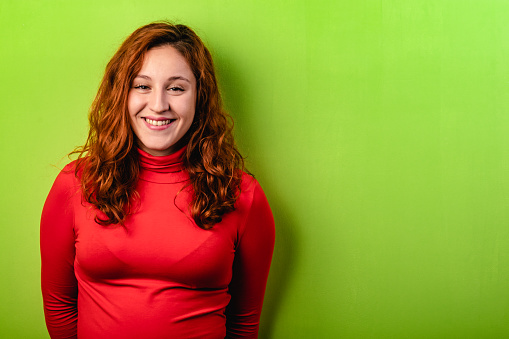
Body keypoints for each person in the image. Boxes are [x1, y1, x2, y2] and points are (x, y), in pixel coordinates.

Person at [40, 22, 275, 339]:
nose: (158, 105)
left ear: (199, 98)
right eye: (142, 86)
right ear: (122, 94)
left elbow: (244, 322)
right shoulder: (75, 184)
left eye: (176, 88)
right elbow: (60, 307)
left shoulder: (242, 194)